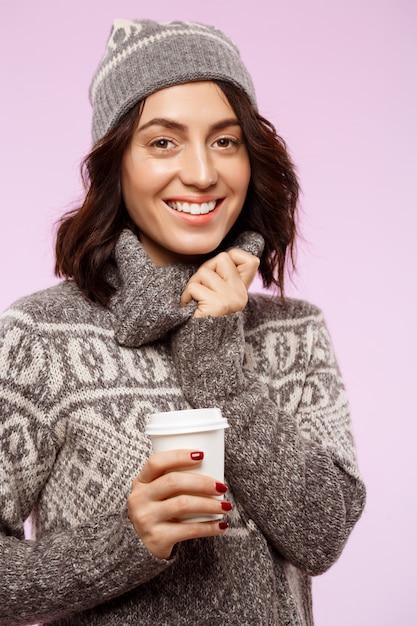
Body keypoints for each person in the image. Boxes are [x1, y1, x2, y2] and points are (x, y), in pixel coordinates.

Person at [0, 18, 366, 626]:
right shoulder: (42, 338)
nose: (201, 173)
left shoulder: (295, 334)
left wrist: (220, 370)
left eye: (225, 141)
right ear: (117, 163)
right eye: (163, 142)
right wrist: (128, 542)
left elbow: (322, 535)